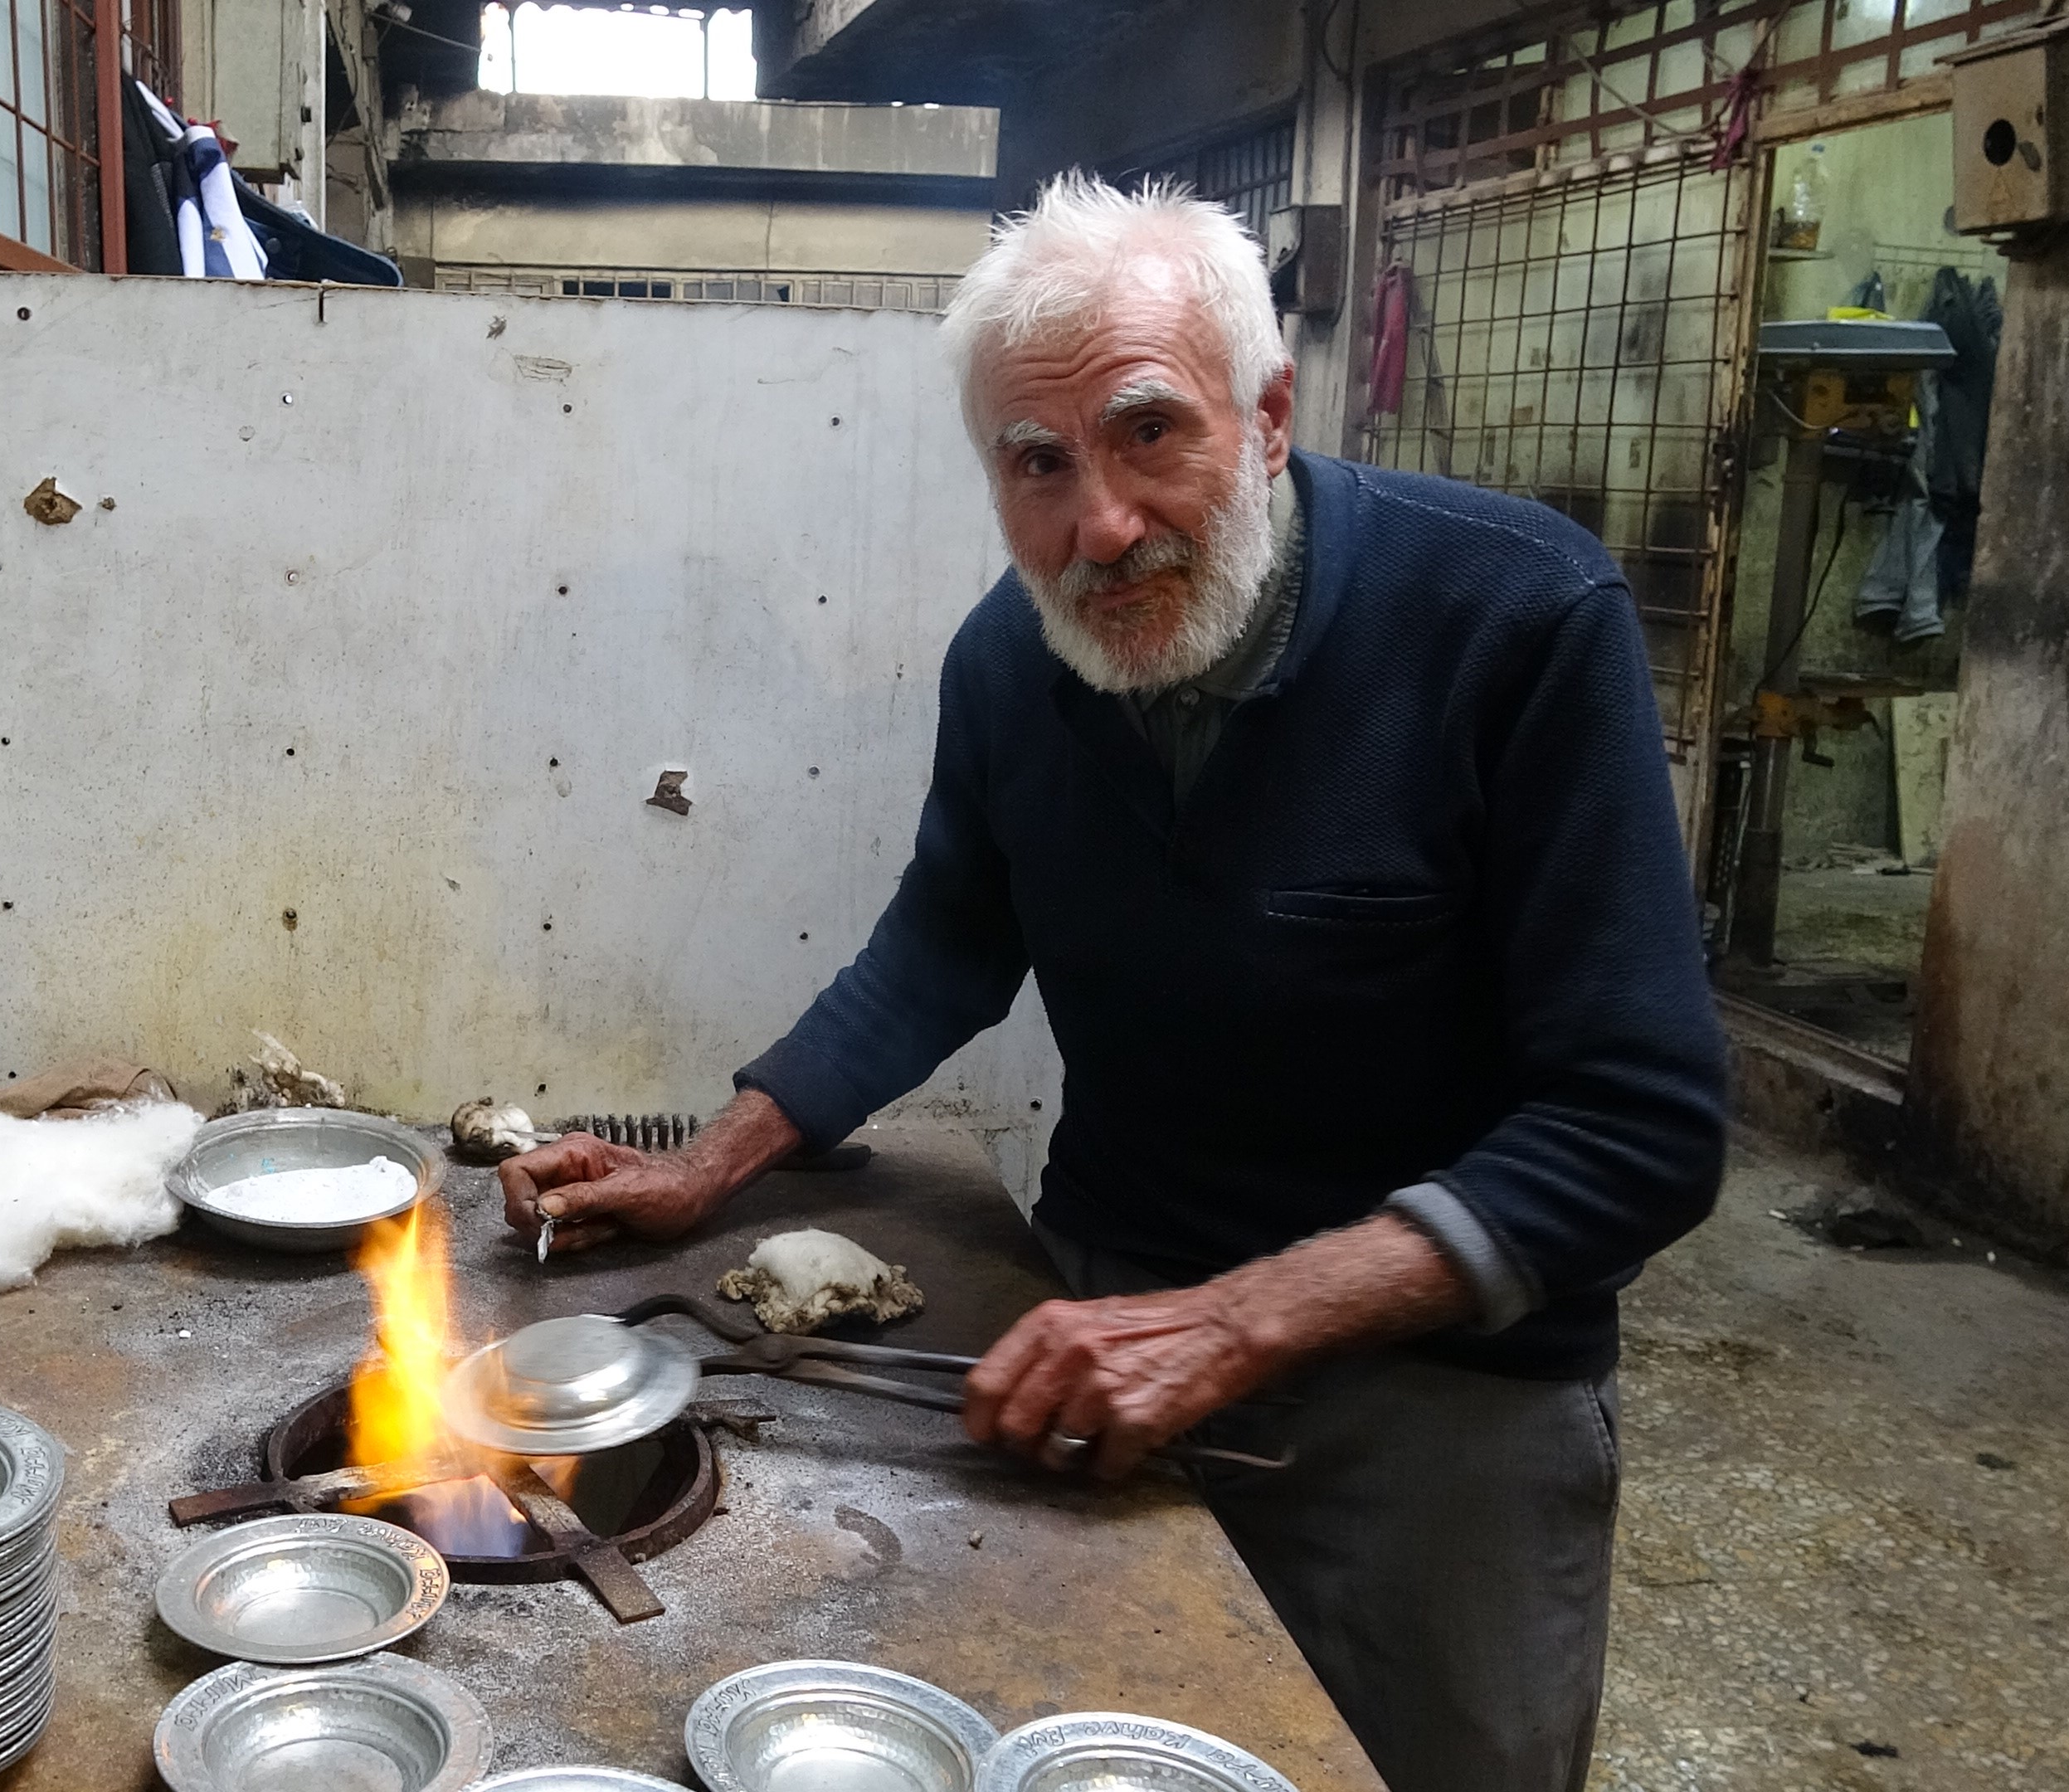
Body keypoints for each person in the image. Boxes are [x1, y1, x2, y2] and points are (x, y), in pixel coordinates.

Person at [493, 173, 1728, 1792]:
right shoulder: (1014, 663)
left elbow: (1641, 1125)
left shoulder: (1518, 620)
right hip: (1100, 1305)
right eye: (1039, 465)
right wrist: (709, 1164)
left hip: (1437, 1393)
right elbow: (946, 940)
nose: (1101, 529)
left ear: (1269, 414)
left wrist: (1232, 1323)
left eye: (1152, 433)